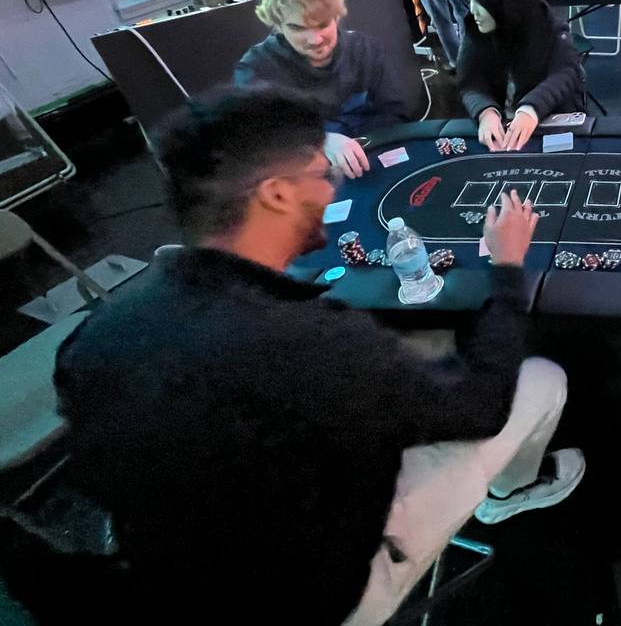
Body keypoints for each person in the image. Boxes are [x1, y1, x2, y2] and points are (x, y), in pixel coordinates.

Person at [53, 89, 585, 625]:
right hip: (319, 597)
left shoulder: (97, 336)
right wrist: (507, 268)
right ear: (277, 194)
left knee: (421, 354)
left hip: (178, 585)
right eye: (319, 173)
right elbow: (482, 408)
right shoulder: (313, 343)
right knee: (541, 379)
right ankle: (509, 494)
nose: (332, 186)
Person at [235, 0, 412, 179]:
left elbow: (396, 113)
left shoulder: (366, 49)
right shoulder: (257, 69)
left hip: (371, 161)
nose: (315, 40)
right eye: (297, 28)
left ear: (337, 16)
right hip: (307, 177)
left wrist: (356, 147)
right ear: (278, 25)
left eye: (322, 24)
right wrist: (322, 141)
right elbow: (262, 144)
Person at [458, 0, 584, 153]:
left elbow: (566, 73)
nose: (473, 9)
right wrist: (486, 112)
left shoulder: (549, 28)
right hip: (501, 132)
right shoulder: (475, 29)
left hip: (549, 124)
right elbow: (471, 82)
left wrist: (530, 110)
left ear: (502, 3)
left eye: (478, 0)